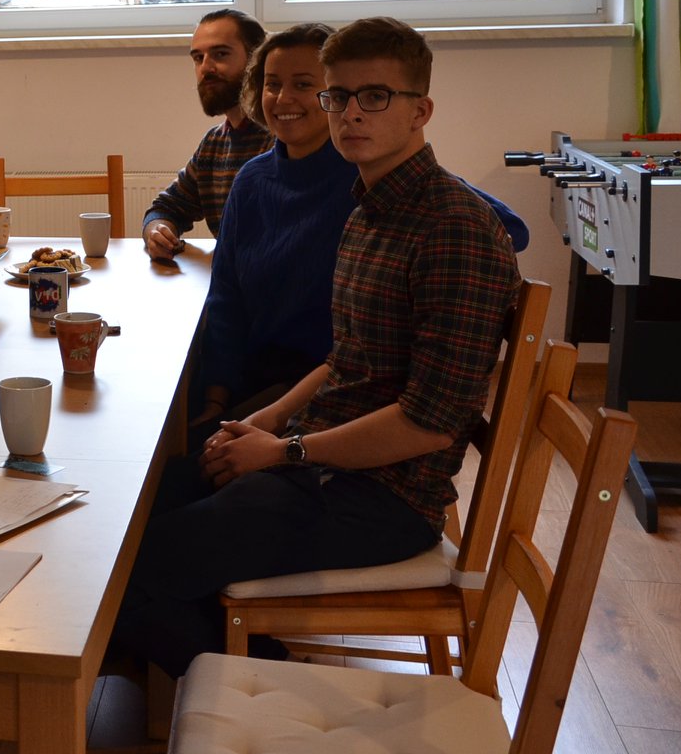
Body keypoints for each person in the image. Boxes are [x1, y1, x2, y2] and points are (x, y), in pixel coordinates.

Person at [113, 16, 522, 678]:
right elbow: (344, 357)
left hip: (379, 498)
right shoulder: (370, 207)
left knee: (126, 569)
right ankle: (200, 664)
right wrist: (266, 421)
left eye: (374, 97)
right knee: (133, 510)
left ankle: (268, 687)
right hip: (319, 458)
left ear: (420, 110)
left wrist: (284, 450)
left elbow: (430, 423)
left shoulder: (452, 229)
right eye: (339, 96)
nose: (349, 114)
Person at [191, 23, 531, 442]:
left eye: (303, 84)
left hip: (338, 406)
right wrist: (221, 402)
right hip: (296, 391)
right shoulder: (273, 183)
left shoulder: (384, 185)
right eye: (272, 84)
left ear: (419, 112)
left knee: (169, 469)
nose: (283, 98)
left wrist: (285, 445)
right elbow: (228, 300)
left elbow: (497, 228)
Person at [142, 8, 272, 261]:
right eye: (198, 58)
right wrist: (157, 232)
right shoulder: (214, 143)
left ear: (257, 58)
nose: (206, 67)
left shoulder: (283, 140)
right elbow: (167, 207)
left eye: (220, 54)